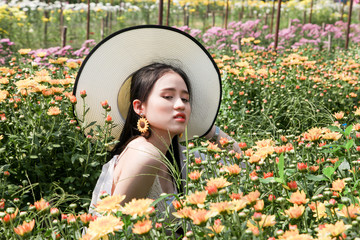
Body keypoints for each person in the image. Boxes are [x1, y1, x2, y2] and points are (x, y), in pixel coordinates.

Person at [73, 26, 241, 215]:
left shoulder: (174, 153)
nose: (180, 105)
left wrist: (207, 128)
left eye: (185, 99)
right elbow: (115, 230)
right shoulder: (144, 155)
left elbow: (238, 163)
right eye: (168, 96)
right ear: (139, 107)